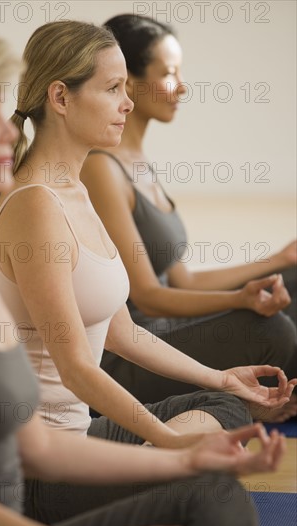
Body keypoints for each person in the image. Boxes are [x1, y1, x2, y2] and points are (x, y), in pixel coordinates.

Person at [0, 26, 289, 526]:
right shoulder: (33, 207)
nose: (128, 103)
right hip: (41, 486)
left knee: (224, 413)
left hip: (67, 445)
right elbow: (76, 371)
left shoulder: (69, 192)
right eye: (114, 88)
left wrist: (217, 387)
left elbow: (121, 331)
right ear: (60, 97)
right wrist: (168, 446)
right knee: (209, 488)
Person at [80, 14, 297, 413]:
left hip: (164, 326)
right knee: (270, 327)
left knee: (291, 281)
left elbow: (184, 279)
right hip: (132, 347)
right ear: (128, 80)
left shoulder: (138, 162)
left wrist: (279, 260)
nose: (180, 87)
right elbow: (150, 297)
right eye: (169, 74)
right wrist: (240, 300)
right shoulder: (101, 168)